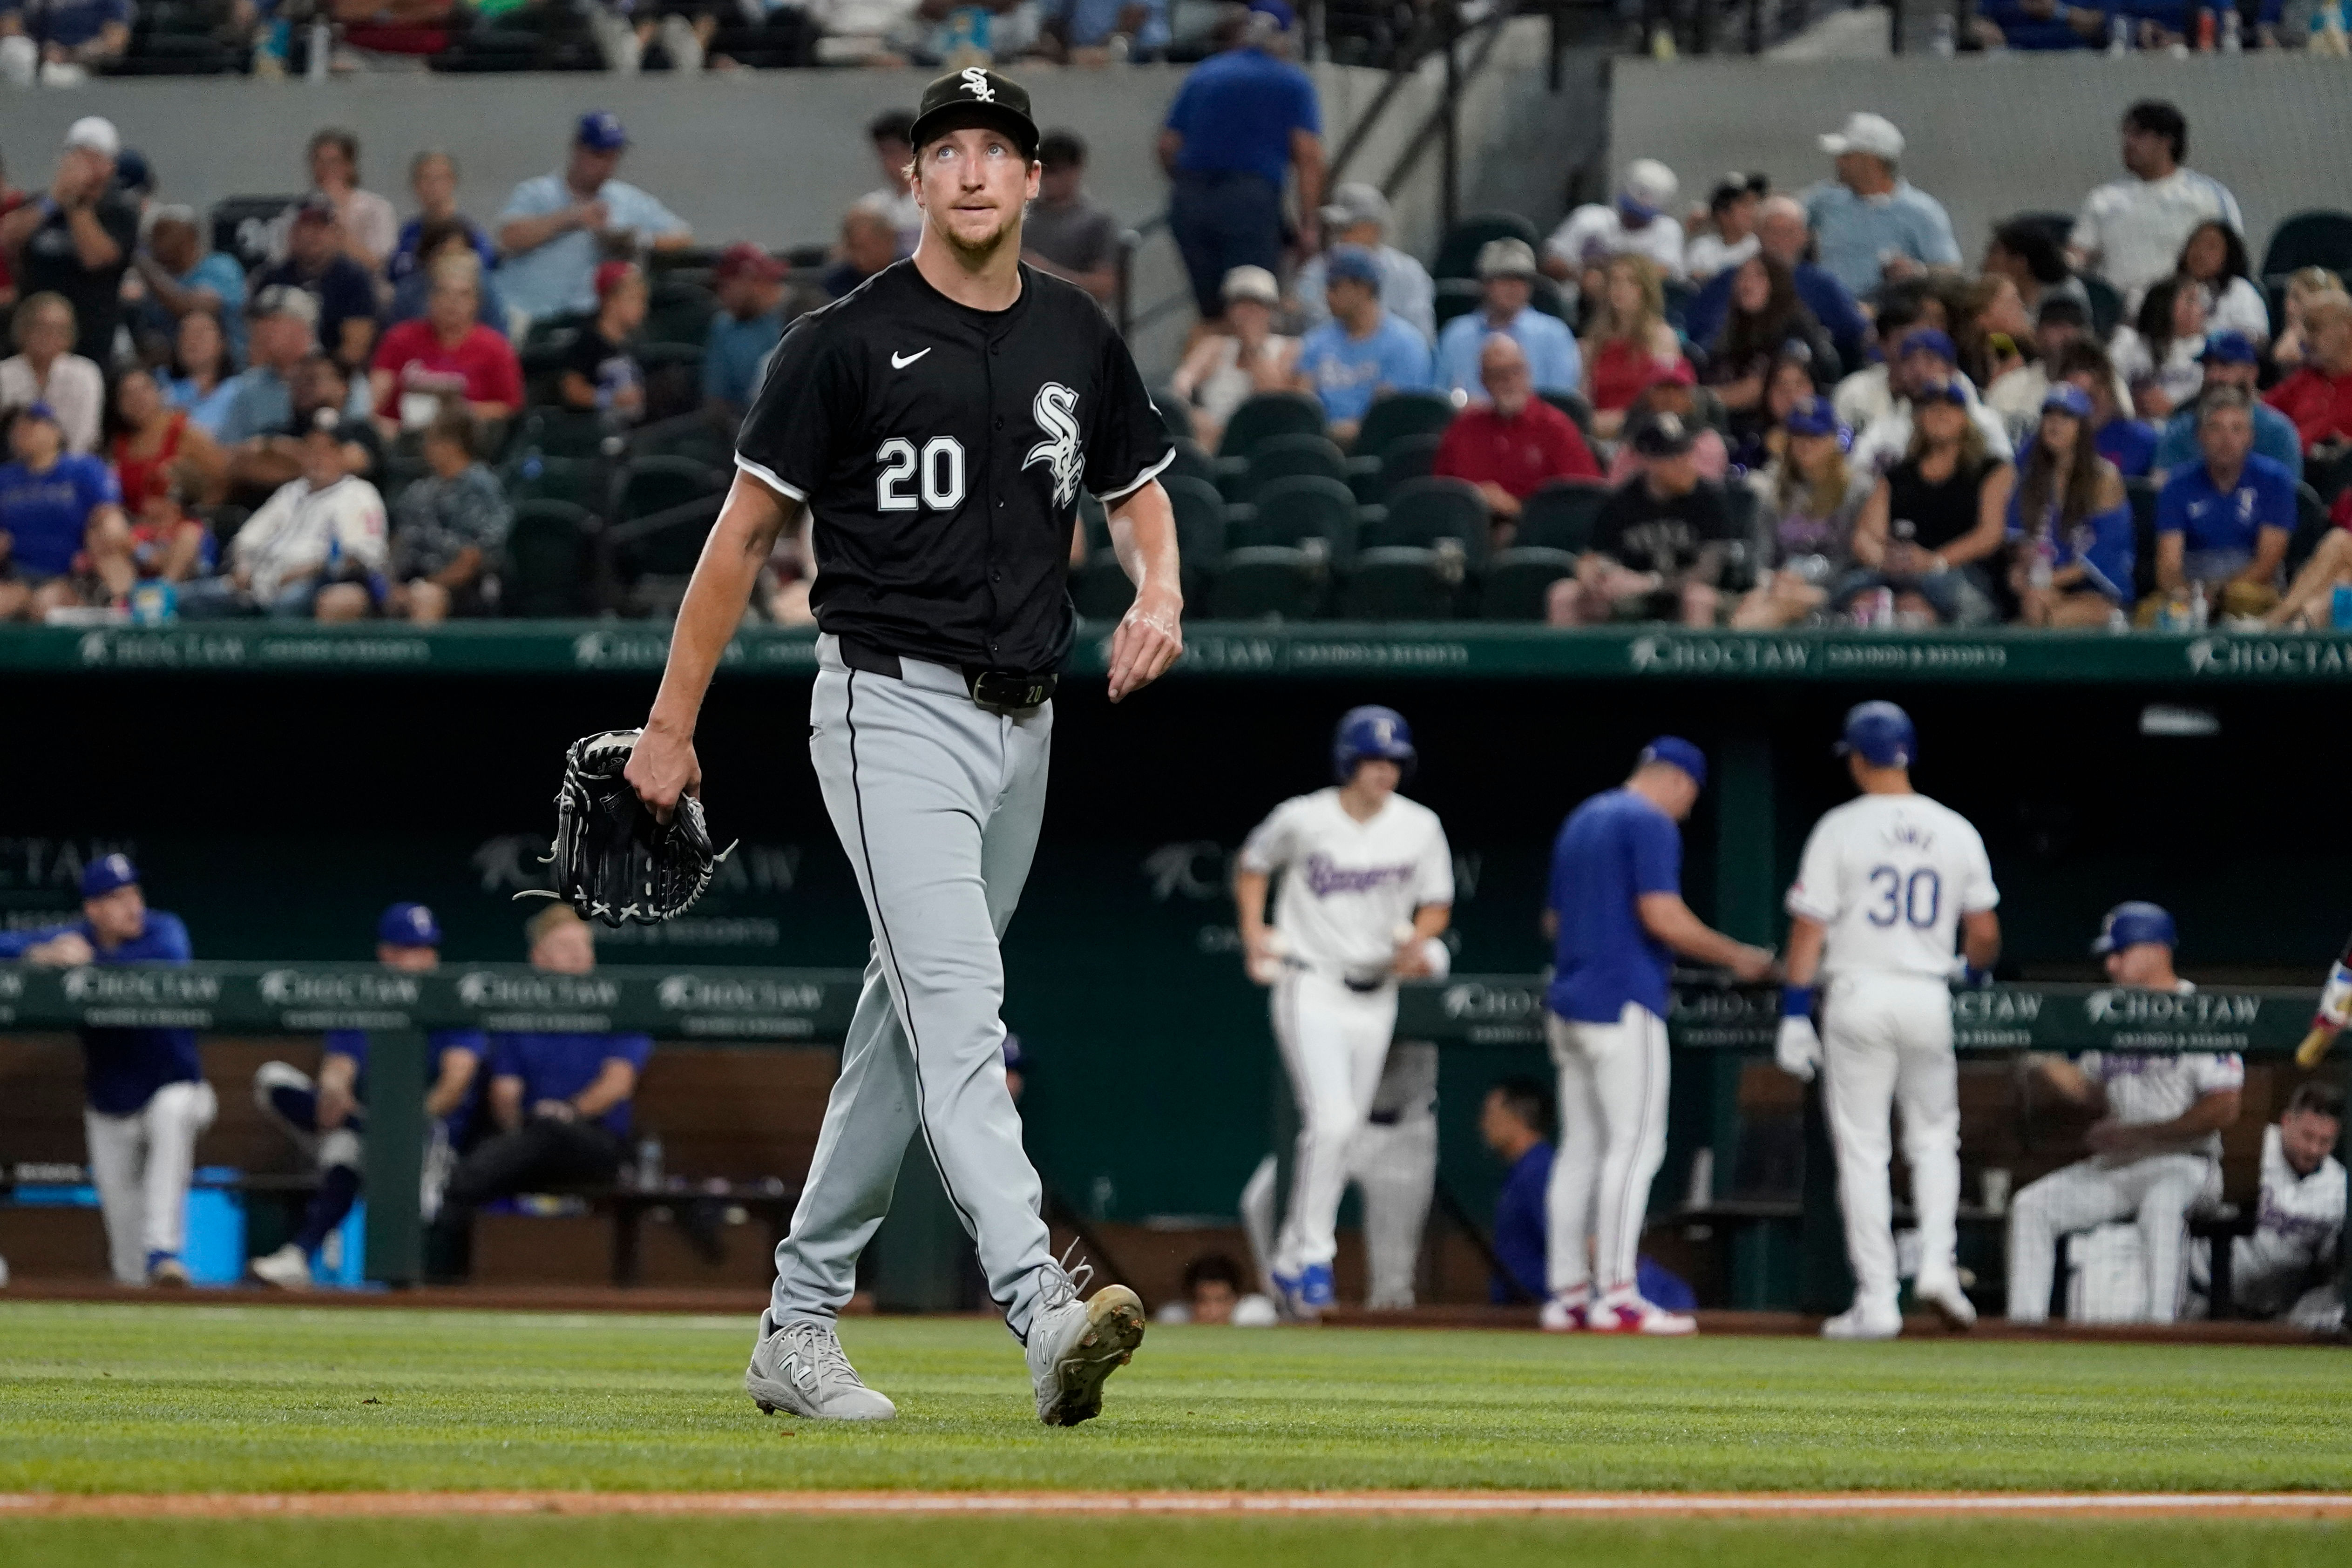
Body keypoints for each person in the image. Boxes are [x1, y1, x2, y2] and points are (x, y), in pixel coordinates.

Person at [621, 68, 1178, 1426]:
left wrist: (1159, 587)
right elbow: (741, 535)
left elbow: (1136, 491)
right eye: (951, 149)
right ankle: (1043, 1306)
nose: (976, 169)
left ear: (1034, 179)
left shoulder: (1074, 330)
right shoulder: (846, 338)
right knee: (957, 1009)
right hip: (889, 704)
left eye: (999, 148)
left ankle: (795, 1327)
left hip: (1027, 721)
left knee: (903, 1026)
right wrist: (671, 723)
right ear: (915, 180)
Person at [1776, 702, 2000, 1340]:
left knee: (1864, 1151)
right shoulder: (1953, 828)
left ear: (1856, 757)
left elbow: (1807, 932)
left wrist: (1794, 1013)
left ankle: (1877, 1299)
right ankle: (1935, 1263)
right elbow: (1983, 933)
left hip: (1857, 993)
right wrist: (1972, 972)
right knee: (1933, 1140)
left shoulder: (1839, 828)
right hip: (1926, 994)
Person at [1539, 739, 1773, 1334]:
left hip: (1568, 1000)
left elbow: (1553, 921)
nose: (1687, 810)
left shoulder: (1582, 817)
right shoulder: (1647, 819)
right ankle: (1616, 1293)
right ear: (1676, 781)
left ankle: (1567, 1293)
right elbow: (1661, 917)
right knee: (1635, 1146)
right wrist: (1737, 957)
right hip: (1622, 1000)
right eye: (1689, 796)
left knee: (1581, 1150)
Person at [1232, 706, 1451, 1318]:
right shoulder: (1304, 817)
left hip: (1375, 991)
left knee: (1341, 1130)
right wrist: (1254, 932)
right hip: (1311, 983)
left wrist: (1416, 943)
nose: (1384, 772)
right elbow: (1253, 865)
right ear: (1348, 763)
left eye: (1393, 762)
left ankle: (1290, 1255)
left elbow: (1436, 904)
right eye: (1373, 761)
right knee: (1329, 1121)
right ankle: (1313, 1256)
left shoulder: (1419, 826)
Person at [2006, 903, 2241, 1326]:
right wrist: (2039, 1057)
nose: (2110, 965)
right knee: (2031, 1206)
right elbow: (2090, 1087)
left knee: (2162, 1204)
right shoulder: (2112, 1011)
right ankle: (2025, 1333)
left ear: (2155, 951)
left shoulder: (2200, 1011)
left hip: (2187, 1165)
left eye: (2120, 953)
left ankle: (2159, 1333)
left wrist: (2143, 1135)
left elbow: (2224, 1105)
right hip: (2122, 1166)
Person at [248, 903, 487, 1291]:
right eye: (411, 949)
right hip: (365, 1123)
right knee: (285, 1089)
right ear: (387, 954)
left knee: (390, 1182)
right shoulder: (364, 996)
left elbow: (455, 1080)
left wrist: (407, 1122)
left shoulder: (451, 999)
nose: (423, 959)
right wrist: (334, 1089)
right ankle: (298, 1258)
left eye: (428, 949)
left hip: (427, 1134)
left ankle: (413, 1286)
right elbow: (341, 1063)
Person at [0, 855, 214, 1286]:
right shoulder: (75, 937)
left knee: (171, 1112)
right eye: (117, 898)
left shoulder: (164, 929)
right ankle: (146, 1282)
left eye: (134, 892)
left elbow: (168, 959)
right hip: (110, 1104)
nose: (132, 905)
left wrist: (88, 965)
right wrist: (40, 953)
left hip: (178, 1089)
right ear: (92, 909)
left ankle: (164, 1251)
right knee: (125, 1260)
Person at [432, 906, 654, 1280]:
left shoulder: (620, 1003)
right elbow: (505, 1095)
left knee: (547, 1131)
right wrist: (523, 1126)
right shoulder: (519, 1013)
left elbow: (617, 1083)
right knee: (519, 1144)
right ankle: (442, 1279)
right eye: (565, 947)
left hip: (597, 1145)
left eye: (584, 946)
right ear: (539, 958)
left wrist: (567, 1112)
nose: (579, 955)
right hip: (528, 1142)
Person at [1158, 2, 1322, 329]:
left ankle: (1203, 378)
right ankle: (1254, 379)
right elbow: (1308, 157)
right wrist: (1308, 224)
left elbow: (1167, 145)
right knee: (1252, 304)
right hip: (1250, 200)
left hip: (1190, 199)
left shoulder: (1205, 73)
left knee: (1211, 314)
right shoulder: (1291, 82)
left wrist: (1190, 185)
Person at [180, 408, 387, 620]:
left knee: (286, 604)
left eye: (328, 450)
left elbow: (363, 555)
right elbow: (249, 537)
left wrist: (311, 569)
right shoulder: (291, 491)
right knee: (190, 598)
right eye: (312, 449)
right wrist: (243, 568)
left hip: (313, 582)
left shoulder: (359, 494)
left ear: (343, 454)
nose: (318, 458)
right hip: (260, 583)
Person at [495, 111, 692, 327]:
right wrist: (570, 218)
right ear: (578, 149)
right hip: (527, 313)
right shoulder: (538, 192)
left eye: (613, 157)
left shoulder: (625, 199)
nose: (606, 165)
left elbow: (683, 236)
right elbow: (508, 237)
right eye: (599, 155)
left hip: (585, 320)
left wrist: (638, 240)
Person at [1844, 380, 2013, 626]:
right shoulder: (1897, 476)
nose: (1941, 413)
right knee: (1850, 590)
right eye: (1931, 407)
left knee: (1954, 601)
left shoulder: (1992, 470)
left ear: (1965, 418)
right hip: (1901, 572)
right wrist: (1885, 560)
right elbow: (1865, 536)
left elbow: (1990, 535)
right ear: (1919, 418)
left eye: (1951, 407)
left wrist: (1935, 561)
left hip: (1963, 572)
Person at [1552, 415, 1730, 628]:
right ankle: (1572, 661)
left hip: (1686, 594)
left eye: (1686, 453)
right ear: (1646, 461)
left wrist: (1652, 583)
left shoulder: (1708, 499)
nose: (1684, 464)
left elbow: (1710, 572)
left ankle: (1697, 662)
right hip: (1631, 596)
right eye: (1672, 457)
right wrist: (1596, 576)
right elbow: (1593, 556)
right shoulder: (1620, 502)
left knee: (1699, 598)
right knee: (1564, 595)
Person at [2193, 1082, 2343, 1328]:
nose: (2314, 1149)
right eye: (2308, 1136)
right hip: (2199, 1293)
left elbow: (2331, 1265)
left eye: (2325, 1142)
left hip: (2275, 1316)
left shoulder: (2339, 1187)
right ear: (2286, 1122)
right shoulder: (2247, 1147)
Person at [2067, 101, 2243, 299]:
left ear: (2166, 142)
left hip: (2188, 309)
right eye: (2126, 134)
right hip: (2119, 313)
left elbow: (2230, 260)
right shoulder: (2103, 199)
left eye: (2138, 135)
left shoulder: (2208, 196)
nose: (2128, 143)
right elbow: (2079, 254)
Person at [0, 117, 136, 364]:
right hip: (30, 340)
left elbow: (96, 257)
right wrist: (54, 198)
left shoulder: (119, 211)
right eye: (77, 156)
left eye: (93, 158)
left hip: (89, 340)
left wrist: (75, 201)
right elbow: (7, 237)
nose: (83, 166)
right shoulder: (43, 205)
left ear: (110, 166)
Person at [2150, 386, 2293, 621]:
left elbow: (2267, 563)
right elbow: (2168, 566)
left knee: (2245, 597)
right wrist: (2188, 595)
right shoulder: (2176, 484)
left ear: (2251, 437)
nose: (2227, 440)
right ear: (2200, 436)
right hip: (2193, 587)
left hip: (2252, 588)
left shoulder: (2275, 481)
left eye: (2237, 430)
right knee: (2151, 614)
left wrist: (2219, 594)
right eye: (2216, 429)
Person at [1685, 196, 1867, 378]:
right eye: (1772, 231)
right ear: (1757, 235)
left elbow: (1854, 332)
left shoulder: (1822, 283)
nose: (1780, 240)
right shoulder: (1729, 278)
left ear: (1804, 236)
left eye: (1789, 232)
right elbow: (1699, 335)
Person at [1430, 335, 1599, 531]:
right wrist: (1475, 496)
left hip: (1535, 537)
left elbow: (1585, 500)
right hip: (1470, 534)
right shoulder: (1463, 429)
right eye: (1498, 374)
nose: (1509, 381)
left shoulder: (1556, 427)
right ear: (1484, 381)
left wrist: (1517, 509)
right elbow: (1439, 497)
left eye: (1516, 371)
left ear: (1528, 373)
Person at [1732, 396, 1868, 630]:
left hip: (1837, 589)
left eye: (1815, 436)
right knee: (1753, 602)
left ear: (1833, 440)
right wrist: (1771, 580)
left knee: (1755, 617)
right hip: (1780, 587)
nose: (1805, 444)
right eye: (1798, 436)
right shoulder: (1773, 490)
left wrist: (1804, 579)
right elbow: (1762, 557)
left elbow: (1853, 558)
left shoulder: (1857, 491)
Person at [2007, 385, 2133, 627]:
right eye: (2049, 416)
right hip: (2052, 586)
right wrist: (2022, 571)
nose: (2055, 424)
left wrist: (2047, 580)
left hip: (2102, 591)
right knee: (2034, 604)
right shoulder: (2032, 478)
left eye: (2066, 417)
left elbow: (2103, 553)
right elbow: (2021, 541)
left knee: (2056, 619)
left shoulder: (2104, 478)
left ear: (2083, 427)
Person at [1801, 113, 1959, 302]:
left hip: (1887, 317)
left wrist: (1918, 272)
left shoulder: (1922, 211)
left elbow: (1951, 272)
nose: (1839, 162)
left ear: (1871, 162)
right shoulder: (1826, 199)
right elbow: (1785, 216)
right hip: (1829, 311)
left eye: (1847, 156)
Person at [1291, 245, 1433, 446]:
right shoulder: (1316, 342)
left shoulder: (1406, 343)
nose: (1327, 296)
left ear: (1363, 288)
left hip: (1383, 450)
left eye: (1335, 287)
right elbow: (1303, 407)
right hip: (1322, 450)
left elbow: (1392, 416)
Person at [368, 253, 523, 435]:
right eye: (443, 292)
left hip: (465, 441)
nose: (452, 302)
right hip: (402, 438)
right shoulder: (400, 339)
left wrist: (455, 415)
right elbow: (375, 398)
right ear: (430, 299)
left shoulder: (496, 348)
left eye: (463, 295)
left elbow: (510, 408)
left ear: (476, 303)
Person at [0, 399, 123, 619]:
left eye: (32, 424)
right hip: (18, 575)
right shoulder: (6, 478)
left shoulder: (82, 469)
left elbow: (108, 514)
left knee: (46, 606)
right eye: (18, 427)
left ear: (55, 431)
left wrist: (107, 532)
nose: (22, 431)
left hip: (73, 575)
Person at [385, 408, 509, 622]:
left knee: (425, 598)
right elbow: (399, 544)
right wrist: (392, 587)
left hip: (467, 587)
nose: (426, 449)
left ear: (454, 444)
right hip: (415, 579)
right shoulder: (419, 491)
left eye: (433, 441)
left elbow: (471, 561)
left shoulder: (480, 486)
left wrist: (426, 585)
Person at [1847, 327, 2014, 476]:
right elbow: (1856, 474)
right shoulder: (1884, 428)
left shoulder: (1983, 421)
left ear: (1951, 370)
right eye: (1909, 361)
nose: (1918, 370)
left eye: (1930, 360)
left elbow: (2006, 476)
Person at [1168, 264, 1297, 454]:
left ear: (1269, 310)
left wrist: (1253, 348)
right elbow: (1181, 384)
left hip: (1266, 442)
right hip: (1214, 443)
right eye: (1241, 305)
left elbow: (1277, 400)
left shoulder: (1288, 348)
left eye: (1256, 305)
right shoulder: (1214, 347)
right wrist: (1191, 412)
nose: (1248, 313)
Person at [1433, 238, 1580, 401]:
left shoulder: (1555, 335)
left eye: (1521, 279)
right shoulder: (1456, 335)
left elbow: (1562, 402)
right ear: (1485, 283)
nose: (1513, 287)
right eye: (1504, 278)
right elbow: (1441, 399)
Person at [1292, 181, 1434, 345]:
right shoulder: (1315, 271)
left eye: (1347, 228)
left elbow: (1422, 339)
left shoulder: (1409, 273)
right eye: (1335, 229)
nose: (1340, 237)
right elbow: (1311, 333)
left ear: (1373, 229)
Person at [1701, 254, 1836, 426]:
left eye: (1759, 276)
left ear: (1776, 283)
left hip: (1789, 425)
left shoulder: (1795, 324)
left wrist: (1699, 399)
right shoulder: (1733, 326)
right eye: (1742, 276)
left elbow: (1763, 390)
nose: (1747, 284)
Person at [2152, 333, 2300, 485]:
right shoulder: (2181, 429)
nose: (2214, 376)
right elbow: (2161, 492)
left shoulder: (2278, 432)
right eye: (2208, 367)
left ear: (2252, 373)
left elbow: (2288, 498)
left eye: (2225, 365)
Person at [255, 198, 380, 377]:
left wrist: (314, 376)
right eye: (307, 227)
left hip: (337, 377)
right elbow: (258, 345)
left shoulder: (354, 279)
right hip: (278, 376)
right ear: (293, 234)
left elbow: (355, 350)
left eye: (323, 228)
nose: (315, 235)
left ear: (337, 235)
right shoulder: (273, 279)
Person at [1579, 253, 1681, 440]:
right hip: (1598, 434)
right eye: (1615, 281)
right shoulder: (1592, 343)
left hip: (1647, 434)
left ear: (1646, 289)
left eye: (1631, 282)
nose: (1621, 289)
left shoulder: (1662, 338)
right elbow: (1583, 401)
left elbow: (1668, 402)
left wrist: (1620, 421)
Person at [1542, 158, 1685, 292]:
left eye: (1641, 215)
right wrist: (1580, 275)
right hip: (1578, 302)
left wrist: (1613, 279)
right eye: (1632, 211)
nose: (1634, 219)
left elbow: (1666, 274)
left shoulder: (1668, 230)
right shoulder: (1589, 217)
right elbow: (1551, 262)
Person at [131, 205, 247, 364]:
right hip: (174, 373)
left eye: (163, 235)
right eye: (153, 236)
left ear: (189, 235)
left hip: (225, 372)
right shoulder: (162, 278)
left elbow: (193, 309)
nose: (155, 243)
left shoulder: (220, 266)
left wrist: (144, 265)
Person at [1022, 130, 1122, 308]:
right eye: (1046, 171)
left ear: (1076, 170)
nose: (1050, 180)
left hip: (1076, 316)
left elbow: (1104, 286)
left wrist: (1045, 272)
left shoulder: (1096, 222)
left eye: (1057, 171)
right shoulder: (1021, 217)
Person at [111, 365, 223, 519]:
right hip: (136, 530)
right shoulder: (118, 446)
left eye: (144, 390)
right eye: (128, 394)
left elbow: (222, 481)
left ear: (158, 392)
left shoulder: (186, 434)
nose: (138, 399)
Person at [1479, 1075, 1552, 1305]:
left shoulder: (1540, 1169)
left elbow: (1580, 1246)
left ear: (1516, 1119)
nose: (1483, 1125)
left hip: (1546, 1308)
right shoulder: (1524, 1169)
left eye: (1490, 1115)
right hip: (1522, 1307)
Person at [0, 290, 102, 453]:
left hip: (71, 466)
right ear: (23, 330)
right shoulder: (4, 374)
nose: (49, 335)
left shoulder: (85, 373)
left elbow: (85, 437)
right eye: (41, 327)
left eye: (59, 329)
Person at [704, 243, 790, 427]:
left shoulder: (801, 315)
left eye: (726, 286)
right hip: (745, 429)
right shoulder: (724, 327)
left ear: (749, 279)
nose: (722, 296)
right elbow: (717, 402)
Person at [292, 128, 398, 277]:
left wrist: (338, 226)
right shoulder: (299, 210)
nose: (326, 169)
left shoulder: (378, 208)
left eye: (333, 162)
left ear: (349, 166)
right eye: (319, 161)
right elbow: (283, 259)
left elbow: (381, 264)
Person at [386, 219, 513, 340]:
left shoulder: (485, 287)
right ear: (429, 257)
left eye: (459, 254)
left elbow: (500, 335)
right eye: (445, 255)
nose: (452, 262)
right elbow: (395, 339)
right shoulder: (409, 290)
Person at [387, 149, 497, 286]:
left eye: (438, 179)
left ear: (452, 181)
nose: (432, 186)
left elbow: (485, 272)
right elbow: (393, 273)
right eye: (424, 179)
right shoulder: (409, 232)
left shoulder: (470, 233)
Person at [559, 260, 649, 424]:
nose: (641, 308)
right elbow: (572, 390)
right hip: (594, 429)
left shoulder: (633, 343)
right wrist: (610, 399)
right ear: (610, 301)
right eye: (634, 299)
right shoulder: (588, 341)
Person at [2263, 293, 2352, 458]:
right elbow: (2260, 416)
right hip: (2300, 472)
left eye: (2315, 328)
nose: (2306, 339)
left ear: (2347, 329)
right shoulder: (2304, 379)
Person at [2109, 276, 2208, 422]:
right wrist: (2129, 405)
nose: (2200, 310)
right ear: (2165, 305)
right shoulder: (2128, 343)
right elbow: (2106, 387)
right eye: (2190, 301)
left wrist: (2174, 409)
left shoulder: (2205, 349)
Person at [2054, 341, 2156, 480]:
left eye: (2091, 397)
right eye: (2078, 401)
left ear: (2109, 388)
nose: (2088, 409)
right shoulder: (2047, 444)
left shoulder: (2144, 440)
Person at [2166, 219, 2269, 347]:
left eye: (2211, 247)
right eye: (2196, 244)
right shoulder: (2170, 291)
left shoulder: (2240, 290)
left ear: (2229, 254)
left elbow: (2258, 340)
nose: (2201, 253)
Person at [1981, 219, 2087, 328]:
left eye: (1993, 254)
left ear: (2019, 263)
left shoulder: (2064, 300)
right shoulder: (1996, 307)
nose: (1984, 265)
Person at [0, 0, 130, 84]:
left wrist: (69, 54)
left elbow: (115, 42)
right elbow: (9, 27)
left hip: (79, 66)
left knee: (57, 77)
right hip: (33, 59)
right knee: (15, 49)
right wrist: (43, 52)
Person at [163, 310, 240, 439]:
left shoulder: (241, 392)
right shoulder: (161, 392)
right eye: (186, 334)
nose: (193, 341)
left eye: (201, 333)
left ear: (222, 343)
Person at [1683, 171, 1764, 285]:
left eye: (1752, 205)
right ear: (1723, 214)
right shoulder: (1700, 248)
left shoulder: (1759, 247)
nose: (1751, 212)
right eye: (1744, 206)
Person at [861, 108, 923, 254]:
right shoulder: (872, 207)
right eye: (883, 153)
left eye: (893, 152)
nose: (888, 162)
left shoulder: (937, 202)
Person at [1152, 1252, 1277, 1325]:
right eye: (1203, 1301)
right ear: (1190, 1301)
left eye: (1221, 1300)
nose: (1213, 1313)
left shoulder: (1254, 1314)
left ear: (1238, 1299)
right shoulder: (1173, 1319)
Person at [2267, 270, 2346, 379]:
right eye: (2288, 297)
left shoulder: (2337, 342)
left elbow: (2285, 355)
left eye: (2297, 298)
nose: (2288, 307)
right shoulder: (2290, 335)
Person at [824, 198, 902, 302]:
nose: (860, 258)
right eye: (854, 248)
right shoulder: (836, 284)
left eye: (866, 248)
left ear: (889, 240)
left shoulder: (913, 276)